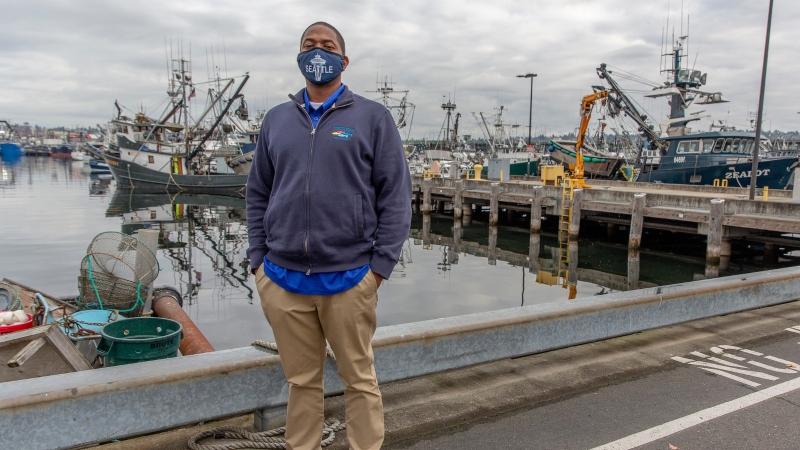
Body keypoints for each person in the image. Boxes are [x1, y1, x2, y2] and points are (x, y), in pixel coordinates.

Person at [246, 22, 412, 450]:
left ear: (344, 59)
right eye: (309, 45)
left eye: (327, 46)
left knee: (359, 378)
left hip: (350, 277)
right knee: (301, 381)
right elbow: (258, 192)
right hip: (282, 278)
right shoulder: (277, 120)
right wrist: (258, 260)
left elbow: (395, 196)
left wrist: (378, 269)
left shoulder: (373, 118)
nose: (318, 52)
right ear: (298, 55)